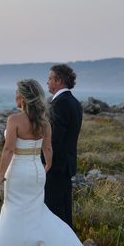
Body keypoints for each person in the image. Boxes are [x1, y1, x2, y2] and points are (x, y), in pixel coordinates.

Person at [0, 79, 96, 246]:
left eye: (16, 92)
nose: (14, 95)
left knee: (12, 214)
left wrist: (0, 175)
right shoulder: (44, 122)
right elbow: (48, 149)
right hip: (36, 172)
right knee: (35, 213)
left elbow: (8, 149)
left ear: (22, 97)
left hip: (18, 172)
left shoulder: (14, 120)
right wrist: (46, 165)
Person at [43, 64, 82, 229]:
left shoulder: (60, 103)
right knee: (65, 210)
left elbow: (55, 138)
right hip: (67, 164)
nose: (47, 82)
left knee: (54, 211)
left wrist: (46, 161)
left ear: (58, 80)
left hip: (56, 166)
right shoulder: (74, 102)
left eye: (50, 78)